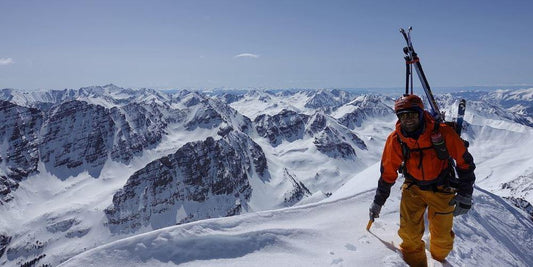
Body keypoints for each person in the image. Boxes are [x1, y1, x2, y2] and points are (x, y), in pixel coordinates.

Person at [369, 94, 476, 267]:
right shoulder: (396, 140)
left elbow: (465, 163)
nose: (407, 119)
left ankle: (439, 261)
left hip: (442, 188)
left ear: (420, 113)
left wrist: (465, 194)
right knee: (409, 238)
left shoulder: (443, 132)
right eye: (403, 115)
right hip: (413, 189)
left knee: (442, 243)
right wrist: (378, 202)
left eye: (411, 114)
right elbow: (388, 173)